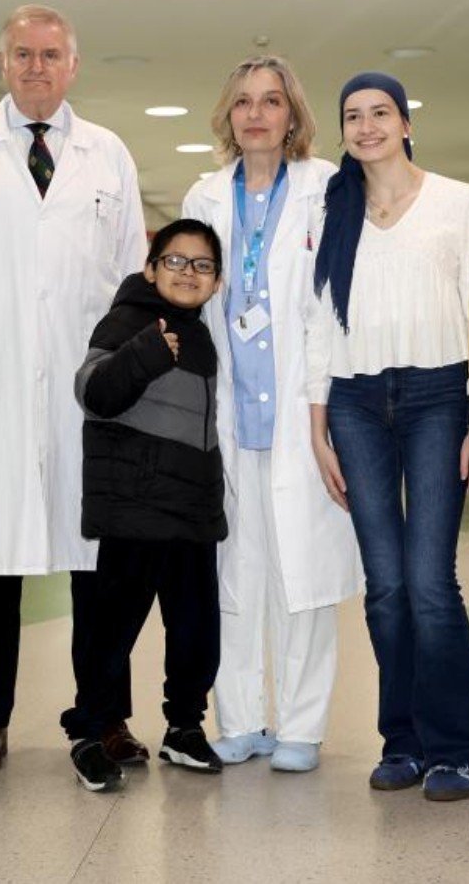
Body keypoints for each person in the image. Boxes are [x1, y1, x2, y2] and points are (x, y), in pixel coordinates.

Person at [0, 4, 147, 773]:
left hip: (87, 387)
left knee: (97, 565)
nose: (37, 66)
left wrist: (114, 368)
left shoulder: (107, 153)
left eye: (51, 54)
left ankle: (105, 717)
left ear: (73, 64)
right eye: (22, 54)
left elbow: (130, 276)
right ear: (3, 63)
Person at [308, 72, 469, 802]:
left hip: (439, 395)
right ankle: (404, 740)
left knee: (429, 581)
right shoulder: (335, 205)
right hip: (353, 401)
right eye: (352, 115)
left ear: (406, 123)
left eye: (380, 113)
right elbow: (321, 316)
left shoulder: (455, 201)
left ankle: (455, 748)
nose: (366, 126)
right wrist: (319, 424)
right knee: (384, 587)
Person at [180, 55, 361, 773]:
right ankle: (243, 717)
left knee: (303, 572)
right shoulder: (205, 194)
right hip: (229, 415)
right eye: (244, 101)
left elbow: (338, 304)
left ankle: (302, 725)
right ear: (228, 115)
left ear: (293, 115)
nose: (257, 114)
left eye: (272, 101)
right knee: (235, 571)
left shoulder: (326, 189)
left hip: (302, 412)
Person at [62, 219, 229, 791]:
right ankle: (89, 734)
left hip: (191, 509)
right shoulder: (129, 319)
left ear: (216, 281)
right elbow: (93, 392)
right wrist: (144, 352)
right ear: (151, 268)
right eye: (176, 261)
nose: (188, 273)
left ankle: (183, 728)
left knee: (195, 630)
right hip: (134, 510)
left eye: (202, 265)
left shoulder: (200, 333)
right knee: (111, 630)